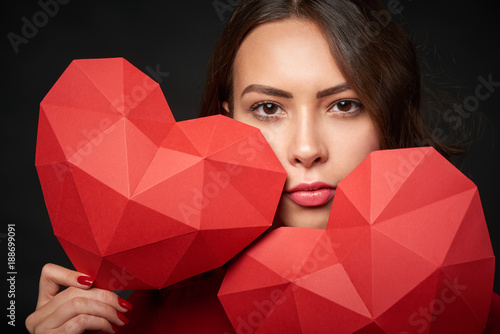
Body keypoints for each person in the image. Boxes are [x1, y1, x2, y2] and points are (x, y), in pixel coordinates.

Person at [25, 0, 477, 333]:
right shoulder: (141, 320)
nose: (306, 148)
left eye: (344, 104)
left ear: (388, 114)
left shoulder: (466, 311)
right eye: (267, 108)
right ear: (224, 122)